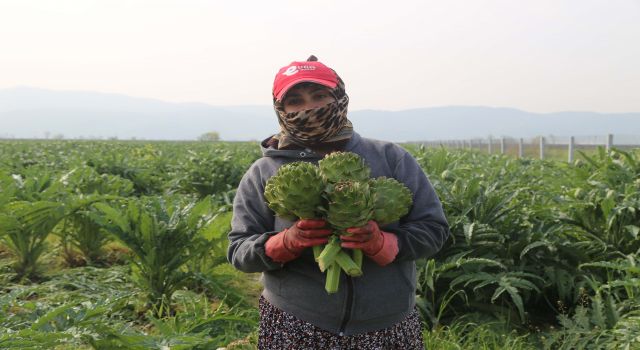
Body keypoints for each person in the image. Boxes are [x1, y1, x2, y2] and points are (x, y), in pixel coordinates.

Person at [227, 55, 449, 349]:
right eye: (295, 101)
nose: (309, 108)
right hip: (296, 324)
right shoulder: (263, 173)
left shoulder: (391, 158)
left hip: (387, 323)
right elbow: (238, 250)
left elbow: (434, 230)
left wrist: (384, 243)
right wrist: (283, 244)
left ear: (340, 96)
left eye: (319, 96)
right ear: (280, 110)